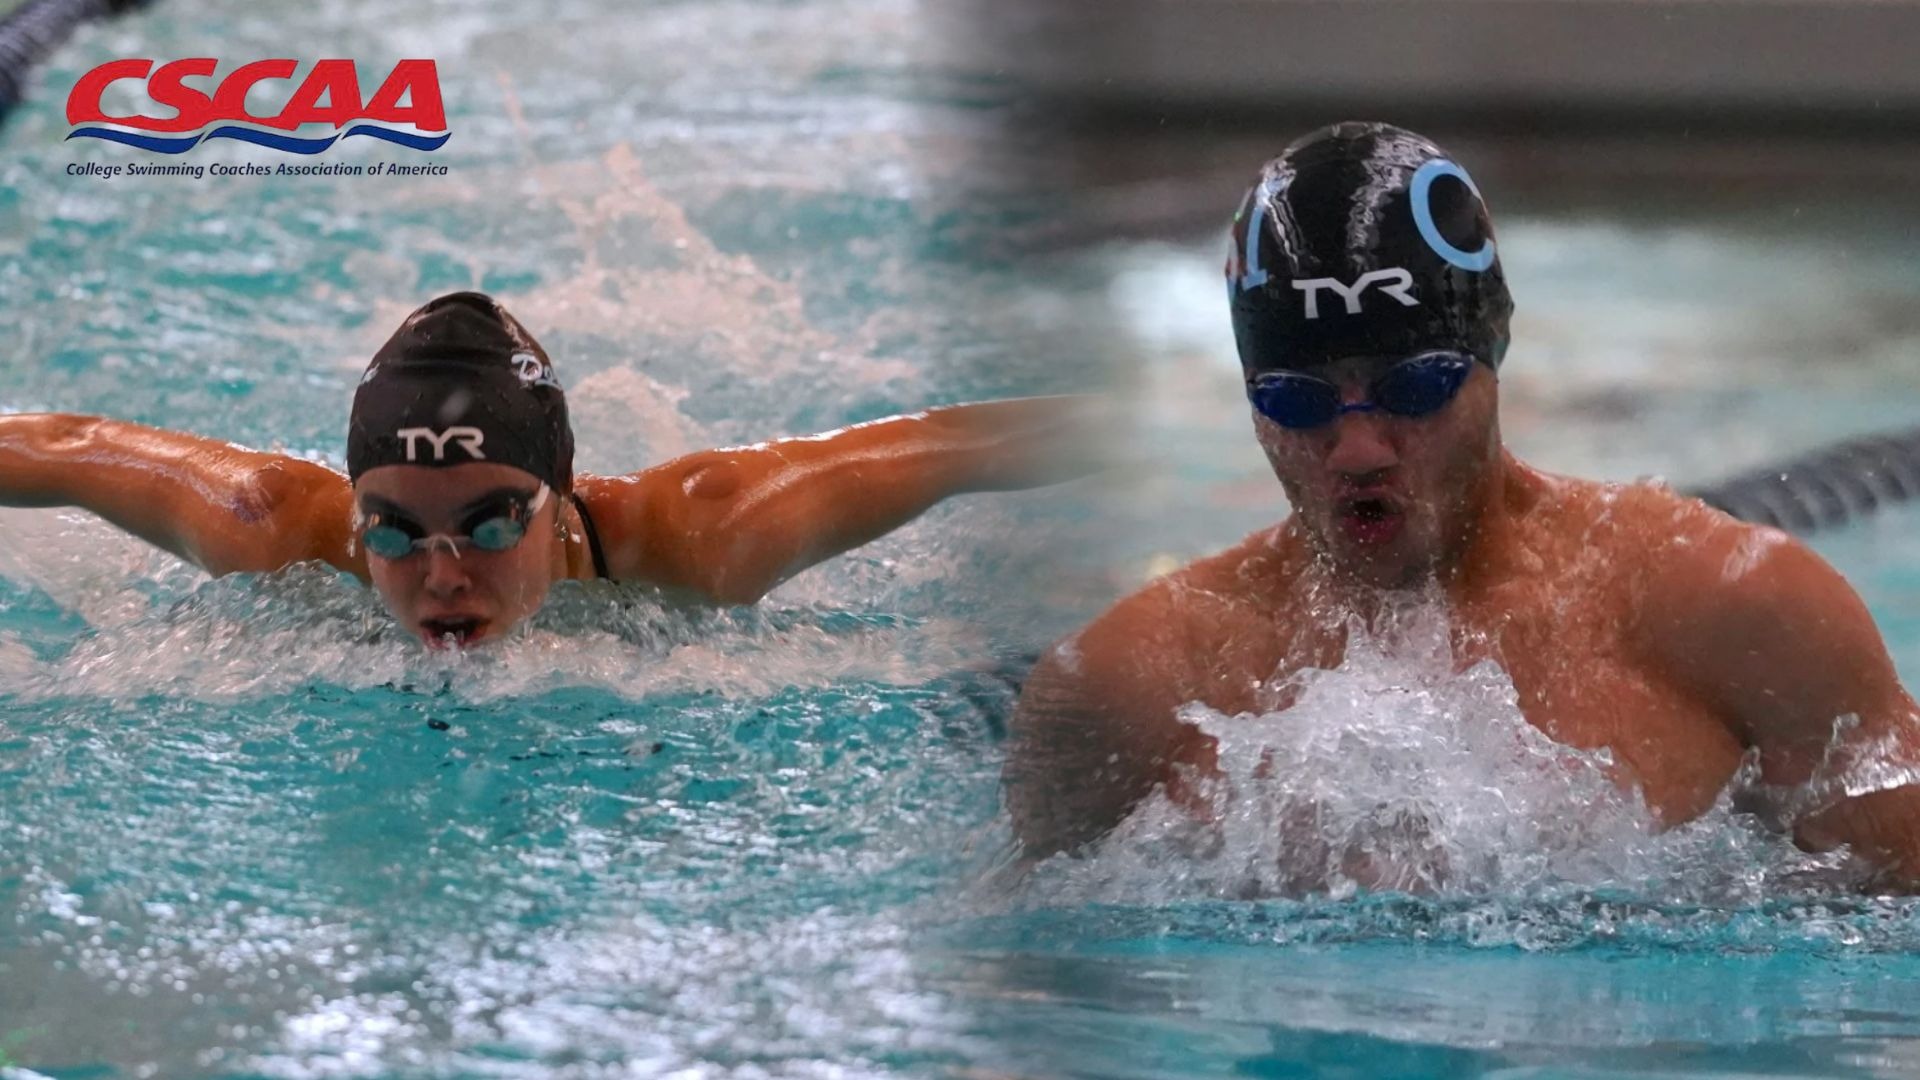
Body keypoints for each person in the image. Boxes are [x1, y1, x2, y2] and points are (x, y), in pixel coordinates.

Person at [1004, 122, 1920, 887]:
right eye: (1297, 399)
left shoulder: (1738, 614)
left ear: (1493, 351)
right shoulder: (1128, 687)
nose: (1358, 449)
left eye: (1415, 386)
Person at [0, 291, 1099, 648]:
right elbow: (65, 451)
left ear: (560, 497)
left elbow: (968, 445)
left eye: (487, 527)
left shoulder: (702, 535)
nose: (440, 579)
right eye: (392, 531)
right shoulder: (274, 525)